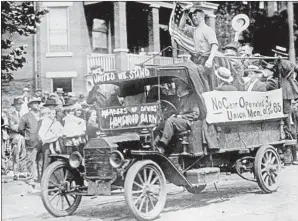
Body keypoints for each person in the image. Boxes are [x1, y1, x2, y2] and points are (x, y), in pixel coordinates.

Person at [156, 78, 201, 154]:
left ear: (184, 87)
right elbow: (178, 112)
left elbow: (195, 114)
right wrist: (173, 115)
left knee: (171, 121)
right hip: (181, 122)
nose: (176, 87)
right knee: (162, 123)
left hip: (189, 122)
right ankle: (155, 144)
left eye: (178, 86)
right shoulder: (181, 98)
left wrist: (180, 117)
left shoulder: (192, 98)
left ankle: (162, 145)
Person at [18, 97, 41, 184]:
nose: (37, 105)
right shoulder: (25, 117)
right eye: (35, 103)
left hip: (42, 142)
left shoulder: (41, 115)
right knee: (31, 160)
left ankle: (40, 177)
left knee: (40, 161)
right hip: (31, 142)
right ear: (30, 106)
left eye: (38, 103)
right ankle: (30, 178)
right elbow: (20, 129)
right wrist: (28, 136)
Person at [38, 108, 63, 175]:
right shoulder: (45, 122)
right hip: (47, 145)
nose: (54, 115)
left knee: (56, 161)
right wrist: (53, 137)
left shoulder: (56, 122)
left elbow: (61, 131)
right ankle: (44, 178)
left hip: (55, 144)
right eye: (52, 114)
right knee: (47, 161)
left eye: (55, 114)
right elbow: (42, 135)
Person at [8, 97, 27, 180]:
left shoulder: (23, 115)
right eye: (18, 105)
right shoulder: (11, 115)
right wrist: (21, 127)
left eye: (20, 105)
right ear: (14, 105)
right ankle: (15, 172)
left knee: (23, 153)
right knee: (16, 153)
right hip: (15, 135)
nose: (19, 106)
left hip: (23, 135)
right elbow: (12, 126)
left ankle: (22, 171)